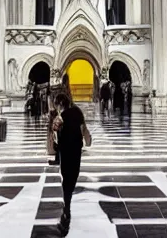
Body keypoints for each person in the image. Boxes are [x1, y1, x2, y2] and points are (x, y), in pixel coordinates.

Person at [52, 93, 91, 236]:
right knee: (73, 174)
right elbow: (83, 128)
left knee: (66, 175)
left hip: (65, 149)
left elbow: (55, 134)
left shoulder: (60, 117)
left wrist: (55, 144)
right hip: (75, 148)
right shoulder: (77, 111)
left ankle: (67, 204)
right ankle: (67, 202)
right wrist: (87, 139)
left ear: (60, 104)